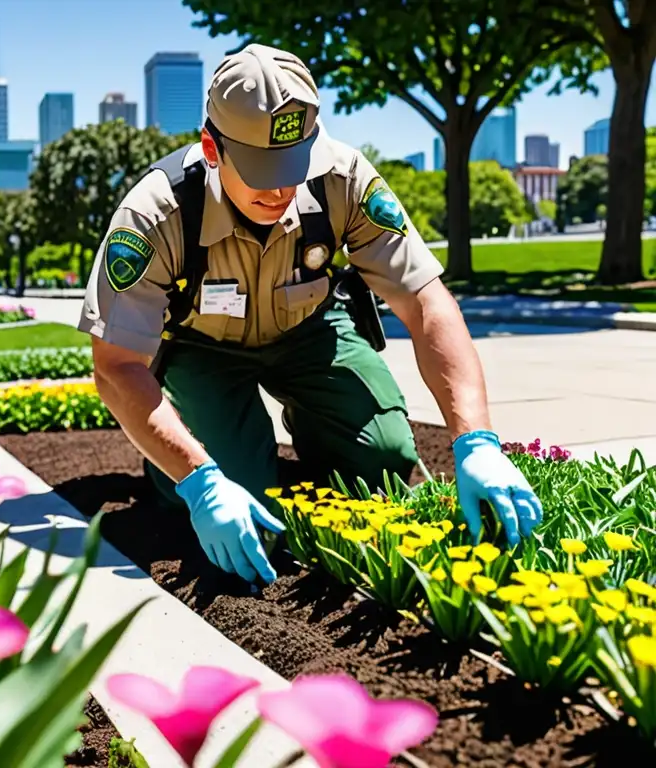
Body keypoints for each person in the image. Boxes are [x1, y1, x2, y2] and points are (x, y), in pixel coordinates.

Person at [77, 44, 542, 585]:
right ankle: (174, 475)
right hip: (204, 349)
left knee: (385, 462)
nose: (280, 189)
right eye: (260, 171)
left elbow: (424, 300)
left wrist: (476, 440)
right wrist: (199, 480)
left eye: (293, 164)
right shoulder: (156, 212)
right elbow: (115, 366)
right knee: (238, 495)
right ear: (212, 148)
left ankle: (314, 436)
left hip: (310, 332)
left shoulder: (341, 177)